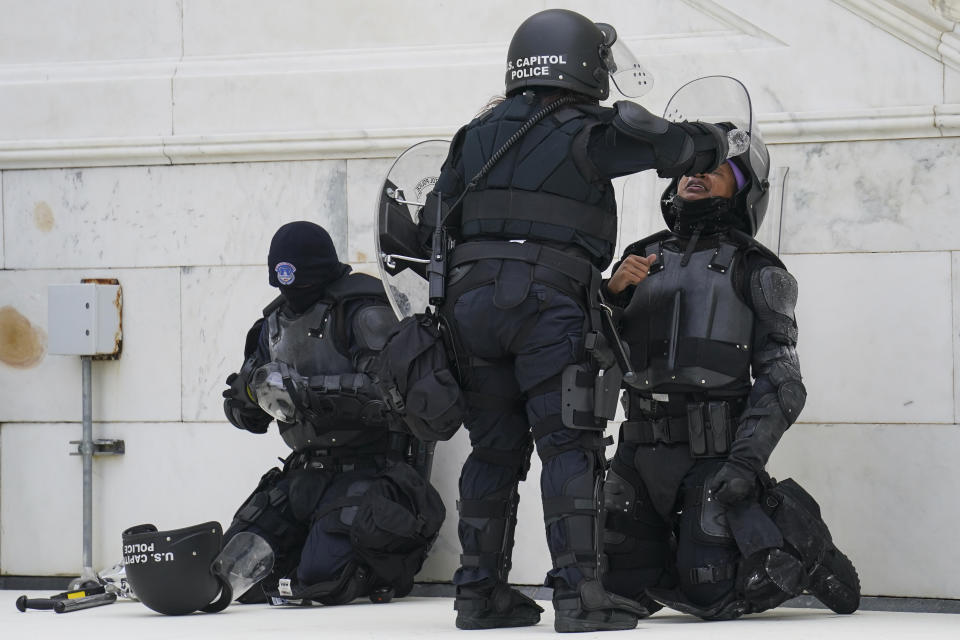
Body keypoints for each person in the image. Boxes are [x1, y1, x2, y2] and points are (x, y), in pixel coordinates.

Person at [417, 8, 732, 633]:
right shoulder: (588, 129)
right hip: (547, 300)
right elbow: (686, 149)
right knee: (569, 444)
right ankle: (579, 599)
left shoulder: (474, 133)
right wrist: (711, 138)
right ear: (585, 63)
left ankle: (478, 597)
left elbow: (433, 219)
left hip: (471, 304)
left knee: (493, 451)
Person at [601, 134, 862, 620]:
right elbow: (591, 351)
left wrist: (743, 465)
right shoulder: (637, 258)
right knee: (619, 590)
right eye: (688, 170)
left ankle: (802, 547)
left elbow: (783, 382)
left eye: (713, 171)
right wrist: (611, 295)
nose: (695, 176)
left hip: (714, 455)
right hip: (638, 452)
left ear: (741, 190)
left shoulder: (757, 267)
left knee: (710, 595)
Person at [220, 221, 445, 606]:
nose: (292, 291)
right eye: (283, 280)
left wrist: (310, 393)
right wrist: (248, 396)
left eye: (298, 279)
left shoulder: (361, 311)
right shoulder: (272, 325)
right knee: (234, 575)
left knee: (323, 581)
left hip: (368, 467)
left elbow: (393, 395)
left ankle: (369, 569)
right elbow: (247, 414)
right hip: (303, 472)